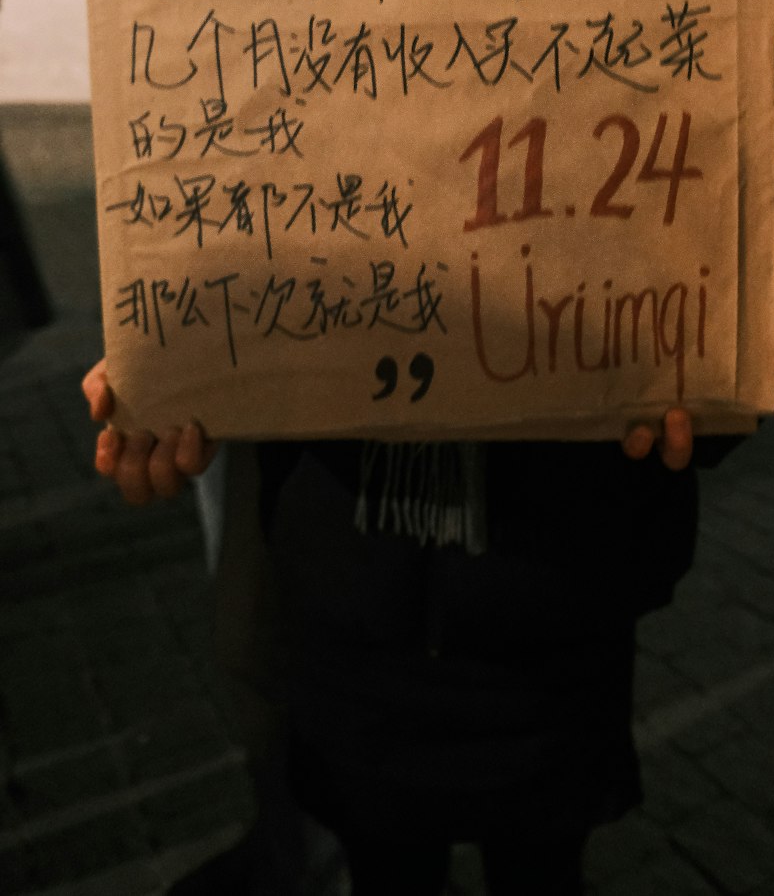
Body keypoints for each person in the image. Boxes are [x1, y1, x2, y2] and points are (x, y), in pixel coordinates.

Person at [83, 358, 700, 896]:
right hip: (361, 619)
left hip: (550, 617)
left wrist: (710, 395)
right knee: (388, 868)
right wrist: (171, 351)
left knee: (539, 868)